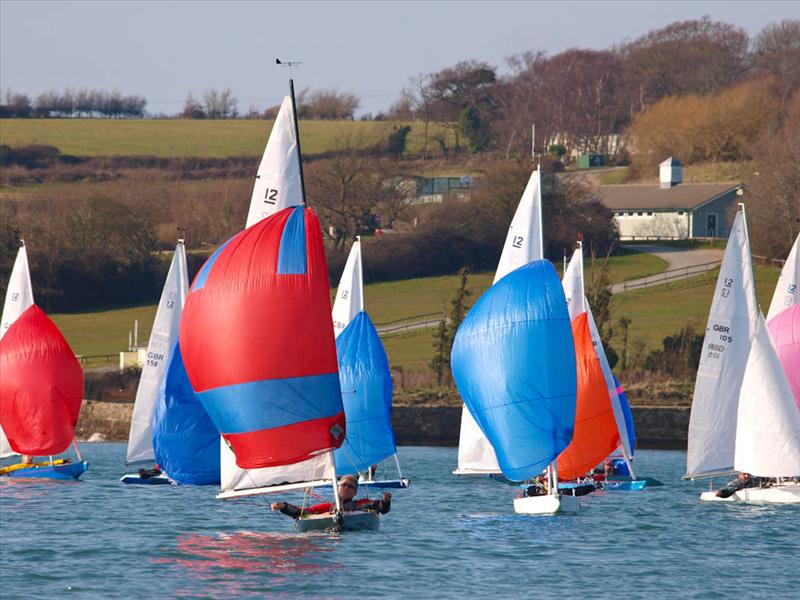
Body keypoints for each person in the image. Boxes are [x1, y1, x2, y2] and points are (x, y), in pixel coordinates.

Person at [271, 474, 391, 519]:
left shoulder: (360, 504)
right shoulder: (327, 507)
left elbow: (380, 507)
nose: (346, 488)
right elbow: (301, 512)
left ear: (355, 492)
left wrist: (385, 501)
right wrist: (283, 506)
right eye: (344, 485)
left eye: (351, 487)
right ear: (337, 487)